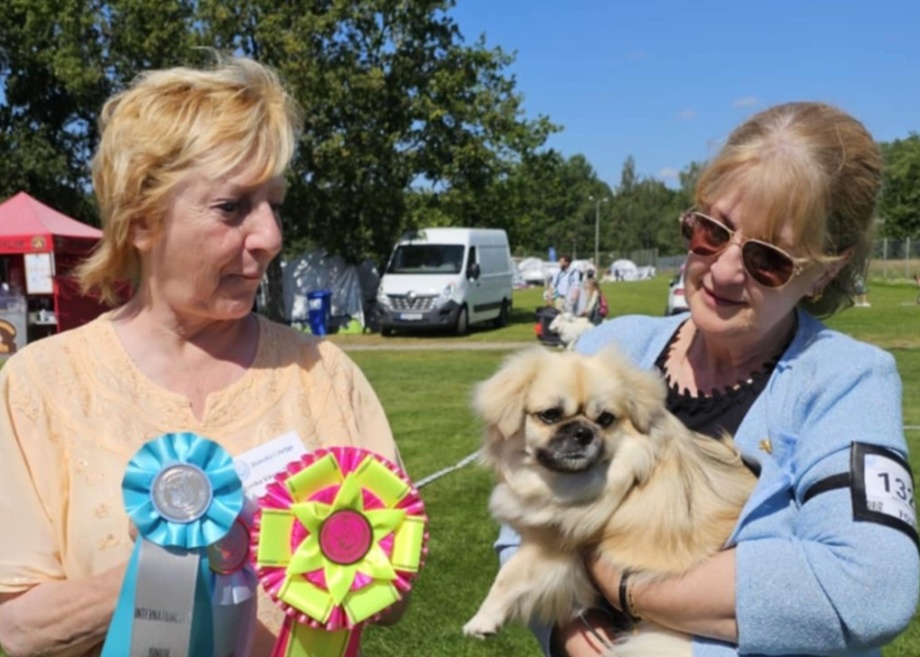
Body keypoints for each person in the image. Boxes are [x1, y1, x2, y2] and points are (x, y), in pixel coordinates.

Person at [0, 55, 407, 657]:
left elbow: (394, 597)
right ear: (142, 221)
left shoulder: (324, 374)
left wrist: (340, 553)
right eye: (232, 206)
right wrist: (183, 563)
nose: (270, 237)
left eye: (274, 203)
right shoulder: (41, 384)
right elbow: (18, 627)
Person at [497, 102, 919, 657]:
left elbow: (872, 588)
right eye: (711, 231)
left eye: (768, 259)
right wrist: (568, 627)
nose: (722, 269)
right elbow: (521, 521)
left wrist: (622, 583)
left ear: (825, 271)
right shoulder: (610, 349)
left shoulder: (847, 381)